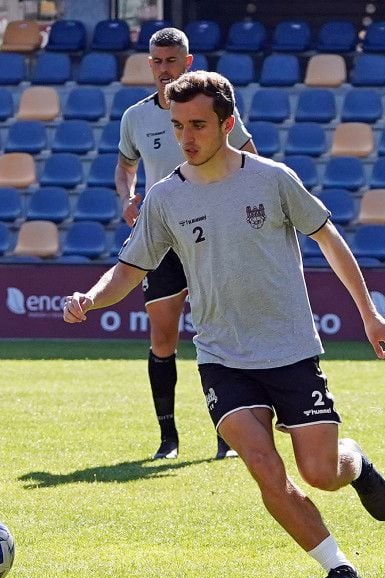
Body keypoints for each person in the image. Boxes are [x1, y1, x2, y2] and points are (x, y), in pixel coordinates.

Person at [65, 71, 385, 578]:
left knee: (319, 472)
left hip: (291, 351)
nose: (186, 138)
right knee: (265, 468)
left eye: (198, 125)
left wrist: (370, 314)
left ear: (227, 124)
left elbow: (330, 241)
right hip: (223, 357)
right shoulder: (164, 198)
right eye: (178, 126)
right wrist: (91, 296)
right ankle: (339, 570)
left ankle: (353, 462)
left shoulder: (272, 179)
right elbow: (128, 271)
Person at [116, 27, 259, 462]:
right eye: (156, 62)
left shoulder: (208, 109)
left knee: (218, 332)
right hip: (161, 237)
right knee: (163, 337)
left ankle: (227, 434)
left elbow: (251, 157)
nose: (163, 69)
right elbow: (125, 166)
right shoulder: (135, 117)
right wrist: (127, 198)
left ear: (187, 63)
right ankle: (168, 438)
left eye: (171, 62)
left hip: (214, 235)